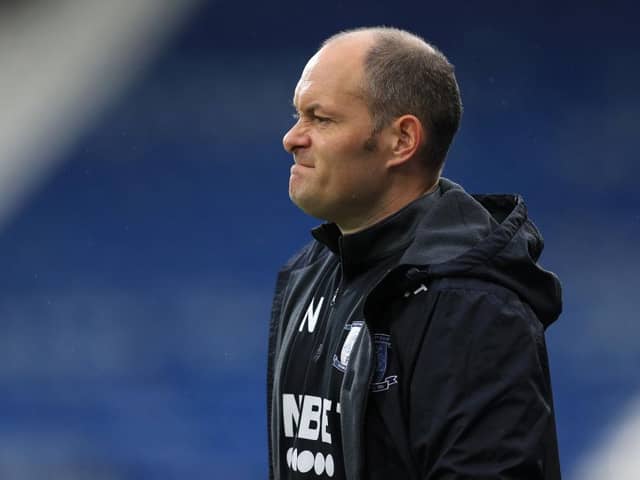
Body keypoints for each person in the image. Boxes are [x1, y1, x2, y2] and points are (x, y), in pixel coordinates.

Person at [267, 26, 562, 480]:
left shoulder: (471, 306)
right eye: (297, 115)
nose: (292, 138)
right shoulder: (307, 274)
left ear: (402, 140)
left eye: (320, 118)